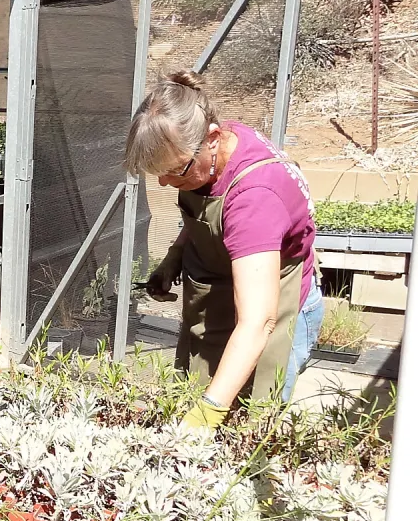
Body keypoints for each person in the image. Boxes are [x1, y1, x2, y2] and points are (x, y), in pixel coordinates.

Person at [124, 71, 322, 430]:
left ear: (212, 139)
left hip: (270, 313)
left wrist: (209, 412)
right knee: (192, 392)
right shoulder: (209, 143)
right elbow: (205, 212)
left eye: (175, 171)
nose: (165, 182)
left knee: (247, 421)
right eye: (158, 173)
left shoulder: (255, 198)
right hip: (222, 296)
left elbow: (258, 321)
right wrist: (174, 257)